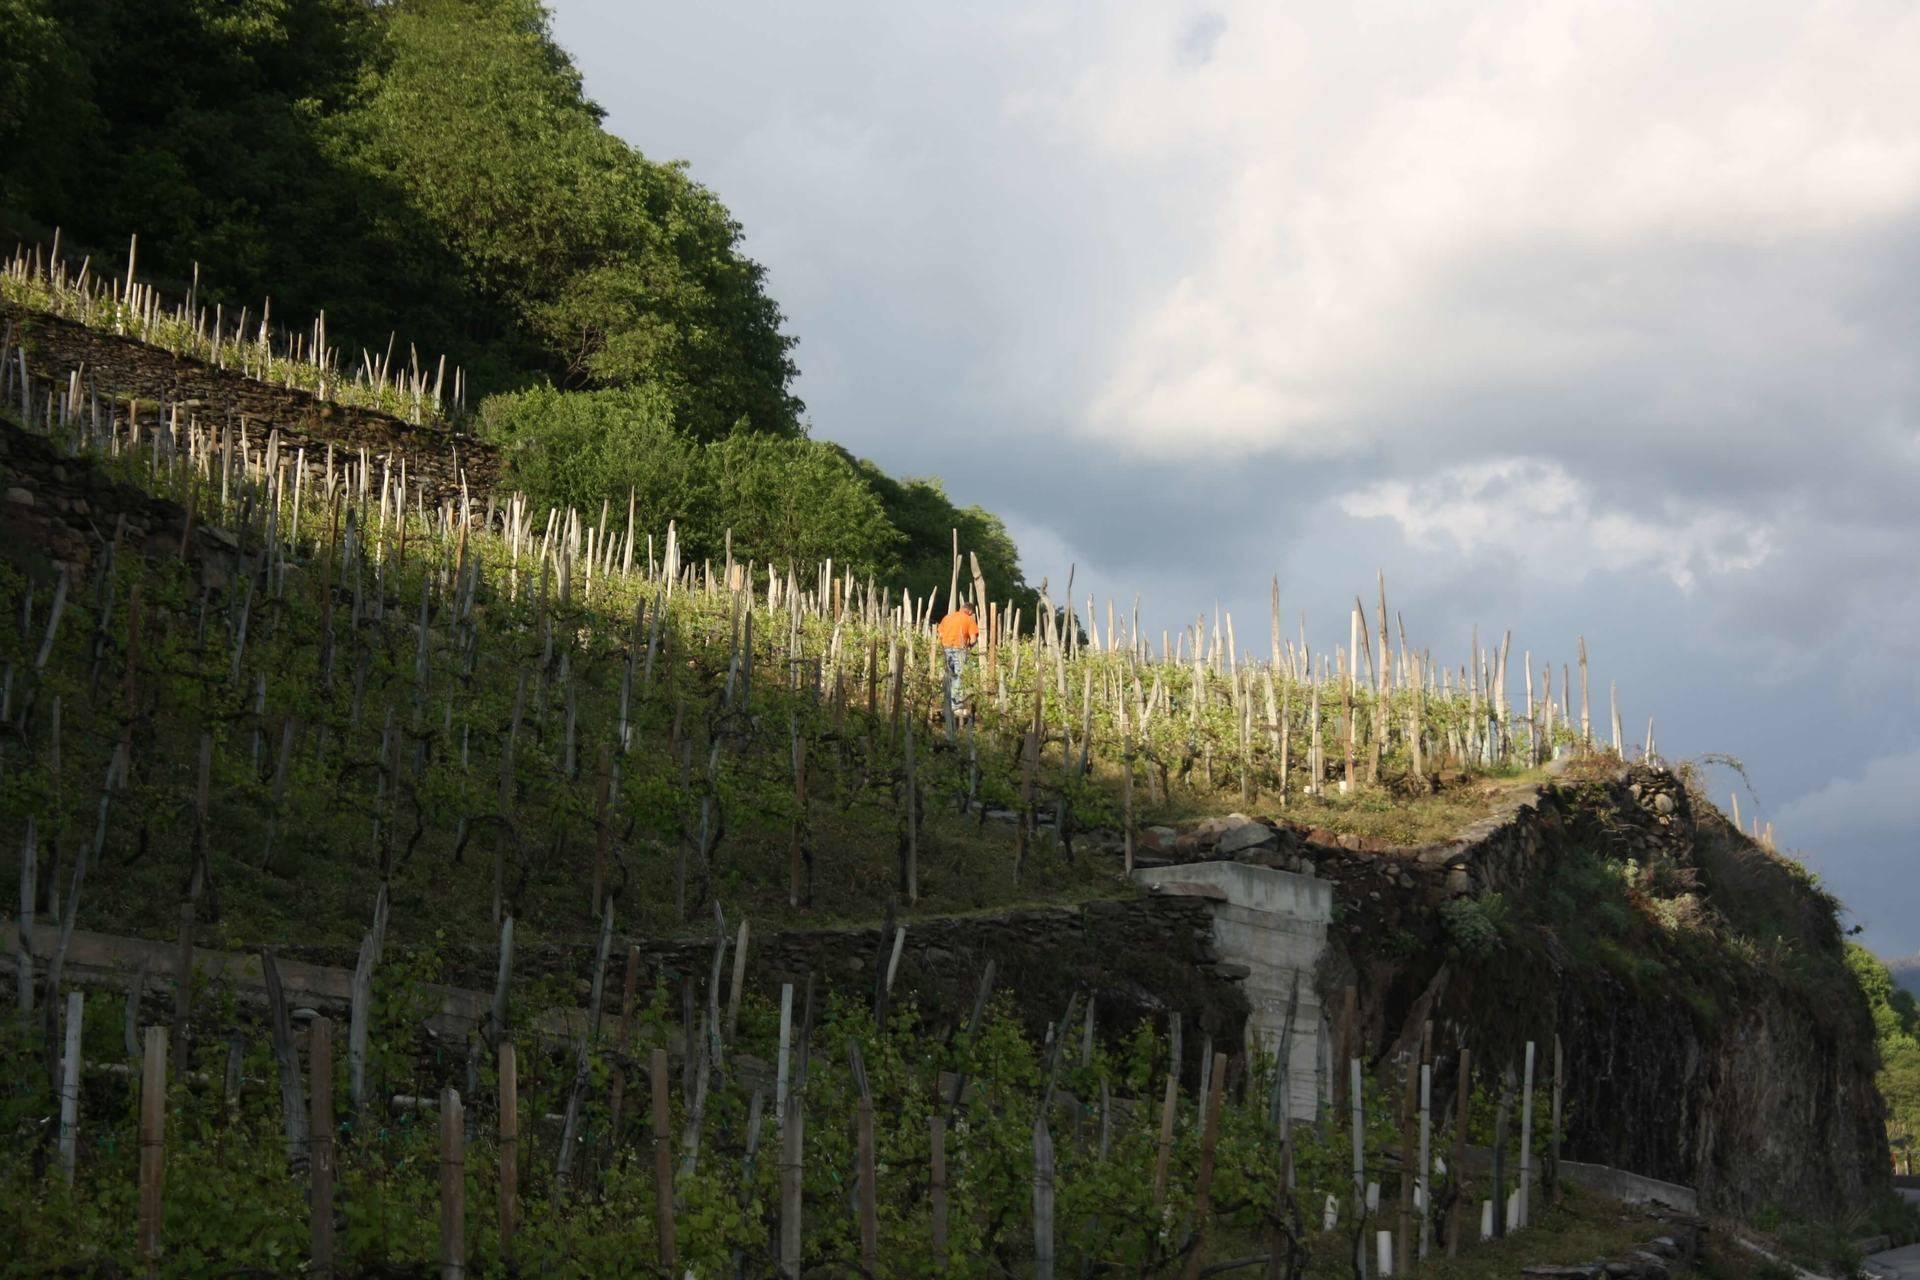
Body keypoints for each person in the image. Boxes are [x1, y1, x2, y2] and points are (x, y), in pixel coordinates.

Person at [936, 600, 980, 713]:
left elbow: (940, 633)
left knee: (949, 675)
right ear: (970, 611)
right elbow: (973, 639)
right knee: (958, 676)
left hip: (945, 648)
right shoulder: (969, 620)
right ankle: (956, 705)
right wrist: (970, 645)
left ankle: (946, 701)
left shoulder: (948, 617)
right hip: (959, 649)